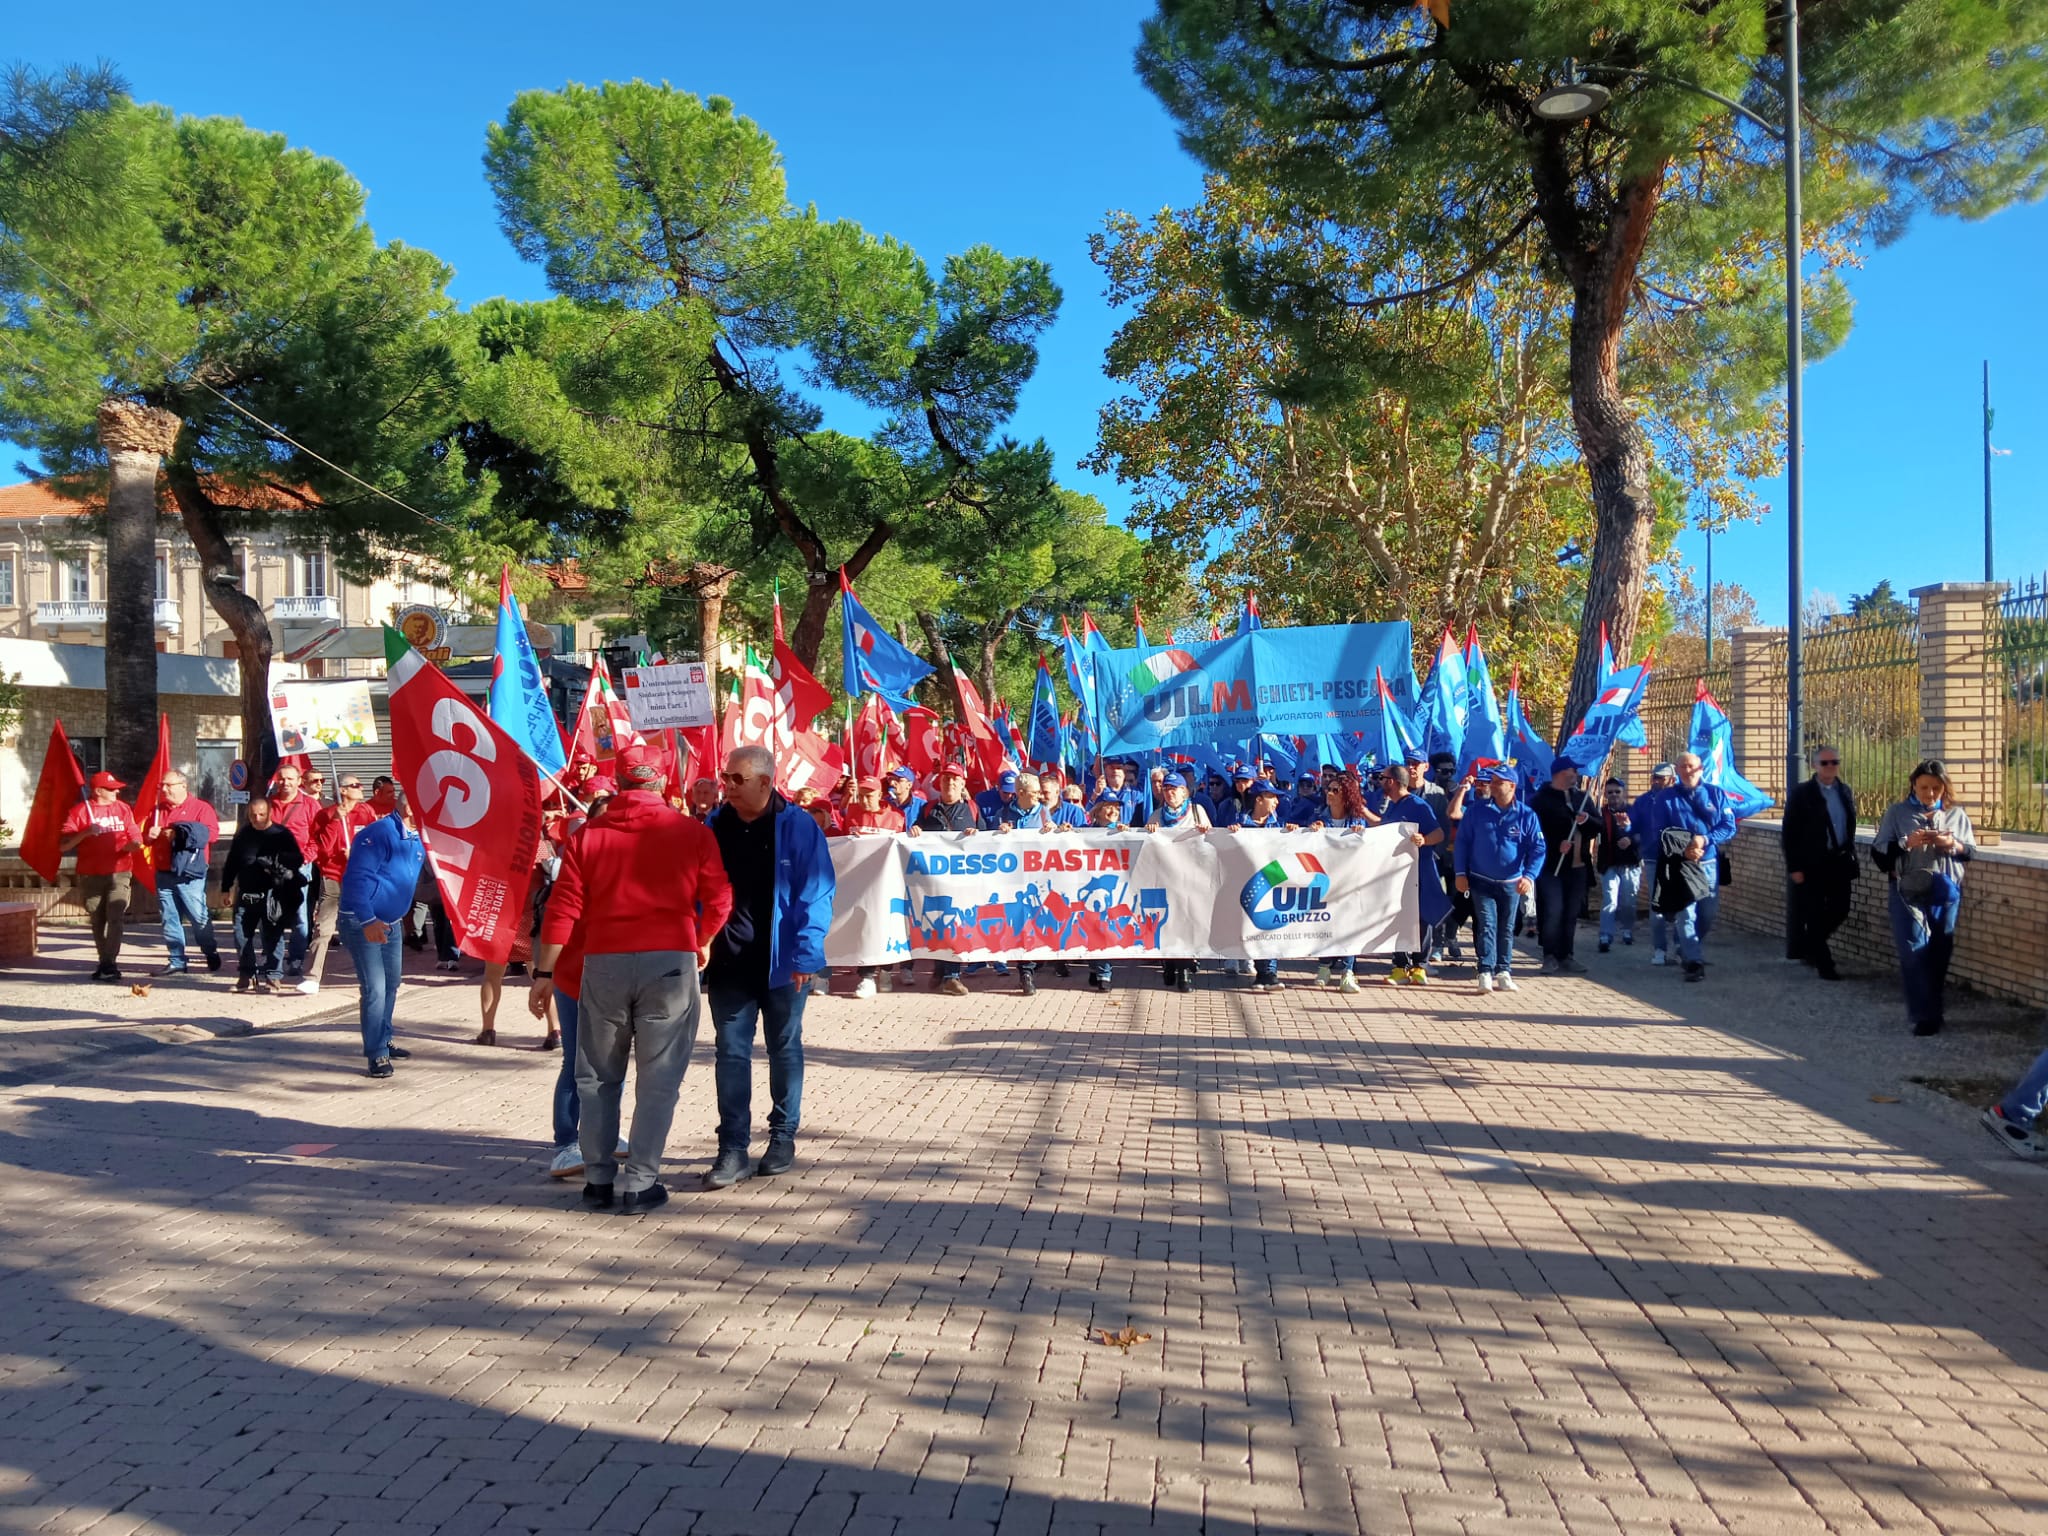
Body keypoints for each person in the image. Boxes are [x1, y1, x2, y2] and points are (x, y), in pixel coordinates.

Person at [531, 749, 733, 1215]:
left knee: (597, 1076)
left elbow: (563, 908)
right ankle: (641, 1181)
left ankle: (598, 1179)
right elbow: (720, 897)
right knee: (659, 1078)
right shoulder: (692, 832)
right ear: (661, 783)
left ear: (618, 784)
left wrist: (544, 973)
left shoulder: (588, 835)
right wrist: (703, 939)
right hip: (670, 959)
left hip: (604, 961)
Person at [701, 745, 836, 1188]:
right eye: (726, 778)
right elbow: (697, 888)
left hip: (784, 965)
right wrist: (697, 939)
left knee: (784, 1049)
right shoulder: (714, 826)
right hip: (728, 962)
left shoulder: (798, 826)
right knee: (730, 1054)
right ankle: (732, 1148)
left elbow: (817, 892)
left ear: (765, 782)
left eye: (737, 779)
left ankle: (782, 1137)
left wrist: (806, 954)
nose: (728, 786)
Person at [1871, 760, 1976, 1036]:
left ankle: (1934, 1010)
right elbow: (1879, 854)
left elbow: (1969, 851)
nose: (1929, 793)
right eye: (1924, 787)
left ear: (1944, 788)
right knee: (1913, 949)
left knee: (1940, 951)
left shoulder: (1956, 815)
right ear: (1914, 786)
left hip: (1944, 889)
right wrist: (1907, 843)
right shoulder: (1898, 813)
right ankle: (1923, 1016)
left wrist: (1952, 844)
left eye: (1936, 788)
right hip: (1907, 889)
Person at [337, 788, 425, 1078]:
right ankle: (376, 1054)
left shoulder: (417, 837)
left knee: (391, 983)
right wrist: (367, 919)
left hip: (392, 921)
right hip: (364, 921)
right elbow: (356, 879)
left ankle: (384, 1039)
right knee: (375, 988)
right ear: (408, 806)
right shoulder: (378, 834)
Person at [1640, 752, 1736, 983]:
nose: (1688, 770)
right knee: (1686, 915)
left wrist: (1704, 840)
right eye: (1683, 766)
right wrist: (1685, 848)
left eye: (1691, 766)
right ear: (1677, 770)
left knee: (1707, 913)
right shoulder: (1666, 798)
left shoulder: (1715, 794)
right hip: (1680, 864)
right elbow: (1659, 830)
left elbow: (1728, 825)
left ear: (1700, 769)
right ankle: (1694, 962)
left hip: (1708, 863)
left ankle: (1685, 946)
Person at [1454, 766, 1545, 995]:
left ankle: (1504, 970)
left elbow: (1538, 848)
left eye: (1498, 782)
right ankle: (1485, 970)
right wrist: (1460, 873)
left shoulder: (1526, 815)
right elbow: (1462, 842)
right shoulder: (1477, 811)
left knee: (1507, 927)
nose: (1492, 785)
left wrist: (1529, 876)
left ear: (1512, 786)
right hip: (1481, 880)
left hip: (1511, 883)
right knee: (1487, 924)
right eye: (1492, 781)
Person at [60, 769, 146, 981]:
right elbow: (63, 845)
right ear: (98, 791)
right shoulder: (80, 811)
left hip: (120, 872)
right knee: (98, 919)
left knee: (115, 916)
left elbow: (135, 835)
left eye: (117, 789)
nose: (117, 792)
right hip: (91, 874)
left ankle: (109, 963)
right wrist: (85, 832)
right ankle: (105, 962)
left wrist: (135, 844)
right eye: (111, 789)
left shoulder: (123, 808)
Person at [1781, 745, 1858, 980]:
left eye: (1834, 762)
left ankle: (1809, 944)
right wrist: (1794, 867)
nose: (1830, 767)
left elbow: (1849, 825)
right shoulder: (1802, 794)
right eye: (1825, 763)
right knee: (1814, 913)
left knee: (1840, 909)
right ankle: (1825, 964)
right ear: (1814, 766)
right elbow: (1789, 833)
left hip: (1839, 861)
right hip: (1812, 863)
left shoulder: (1844, 791)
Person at [219, 797, 306, 994]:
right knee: (241, 936)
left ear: (270, 813)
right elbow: (232, 862)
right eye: (253, 815)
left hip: (271, 895)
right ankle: (246, 975)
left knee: (273, 936)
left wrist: (277, 863)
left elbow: (297, 859)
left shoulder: (281, 834)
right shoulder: (243, 834)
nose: (257, 818)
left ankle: (273, 976)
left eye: (261, 814)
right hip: (246, 893)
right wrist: (226, 888)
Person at [300, 775, 375, 995]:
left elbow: (376, 842)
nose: (361, 788)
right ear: (342, 790)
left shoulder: (366, 812)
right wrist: (334, 821)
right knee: (323, 926)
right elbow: (322, 849)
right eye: (355, 785)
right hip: (333, 876)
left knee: (368, 924)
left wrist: (358, 853)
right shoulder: (325, 814)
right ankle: (312, 977)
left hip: (360, 877)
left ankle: (374, 973)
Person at [1376, 763, 1450, 986]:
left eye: (1382, 778)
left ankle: (1419, 966)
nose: (1379, 782)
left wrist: (1424, 840)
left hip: (1419, 873)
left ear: (1392, 782)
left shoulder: (1418, 805)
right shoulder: (1392, 806)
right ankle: (1400, 967)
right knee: (1397, 917)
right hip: (1396, 874)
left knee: (1421, 919)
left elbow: (1439, 834)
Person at [148, 770, 221, 977]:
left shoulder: (200, 808)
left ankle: (209, 950)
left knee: (198, 918)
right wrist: (150, 835)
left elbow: (212, 835)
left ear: (183, 786)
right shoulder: (157, 810)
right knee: (169, 918)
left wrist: (180, 834)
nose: (164, 789)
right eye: (162, 785)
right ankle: (177, 960)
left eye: (168, 785)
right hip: (164, 872)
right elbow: (145, 839)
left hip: (190, 875)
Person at [1306, 771, 1374, 993]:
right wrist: (1312, 831)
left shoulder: (1357, 820)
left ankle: (1347, 972)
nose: (1330, 793)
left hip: (1350, 881)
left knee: (1349, 926)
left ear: (1347, 794)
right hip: (1326, 880)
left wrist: (1361, 835)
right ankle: (1324, 968)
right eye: (1329, 789)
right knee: (1325, 923)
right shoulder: (1319, 817)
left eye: (1336, 790)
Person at [913, 764, 977, 997]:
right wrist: (915, 831)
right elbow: (915, 833)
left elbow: (987, 838)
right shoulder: (928, 808)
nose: (950, 783)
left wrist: (977, 835)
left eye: (954, 779)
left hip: (961, 879)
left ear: (962, 783)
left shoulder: (972, 809)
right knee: (938, 924)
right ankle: (941, 969)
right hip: (934, 879)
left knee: (955, 923)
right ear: (939, 783)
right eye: (946, 779)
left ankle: (951, 976)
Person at [1531, 758, 1599, 975]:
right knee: (1553, 910)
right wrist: (1555, 846)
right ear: (1560, 772)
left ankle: (1566, 955)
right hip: (1550, 867)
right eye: (1573, 770)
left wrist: (1587, 820)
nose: (1576, 774)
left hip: (1578, 866)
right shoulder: (1540, 800)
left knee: (1570, 912)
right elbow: (1533, 834)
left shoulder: (1582, 798)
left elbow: (1598, 827)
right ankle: (1549, 955)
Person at [1145, 771, 1209, 993]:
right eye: (1166, 789)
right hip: (1165, 876)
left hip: (1190, 877)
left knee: (1187, 921)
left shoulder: (1197, 812)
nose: (1169, 793)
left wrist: (1205, 831)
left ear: (1184, 792)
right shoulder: (1156, 815)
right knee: (1168, 922)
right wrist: (1150, 832)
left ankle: (1184, 971)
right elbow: (1147, 845)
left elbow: (1210, 841)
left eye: (1174, 789)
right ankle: (1169, 963)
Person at [1233, 780, 1294, 992]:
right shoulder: (1240, 823)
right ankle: (1261, 972)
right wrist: (1231, 833)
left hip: (1273, 882)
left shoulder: (1278, 825)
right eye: (1272, 797)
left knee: (1270, 926)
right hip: (1247, 882)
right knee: (1252, 927)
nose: (1276, 801)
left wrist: (1294, 833)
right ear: (1259, 799)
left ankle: (1269, 972)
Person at [266, 764, 319, 979]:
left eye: (290, 778)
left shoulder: (310, 805)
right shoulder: (268, 804)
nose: (285, 782)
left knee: (300, 917)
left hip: (299, 868)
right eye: (282, 778)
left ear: (299, 781)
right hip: (272, 869)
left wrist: (305, 857)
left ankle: (296, 958)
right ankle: (274, 960)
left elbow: (318, 837)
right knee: (271, 915)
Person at [1632, 763, 1678, 963]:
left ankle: (1680, 947)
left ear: (1672, 779)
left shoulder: (1679, 798)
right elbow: (1632, 825)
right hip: (1653, 857)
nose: (1656, 781)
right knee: (1656, 905)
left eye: (1661, 777)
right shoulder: (1643, 801)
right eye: (1655, 777)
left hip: (1678, 858)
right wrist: (1627, 827)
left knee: (1682, 905)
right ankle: (1660, 950)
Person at [1083, 790, 1127, 993]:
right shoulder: (1084, 831)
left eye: (1116, 807)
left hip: (1110, 891)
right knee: (1090, 927)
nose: (1113, 811)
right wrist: (1065, 831)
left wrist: (1126, 833)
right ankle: (1095, 967)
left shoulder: (1122, 831)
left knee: (1104, 926)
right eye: (1108, 807)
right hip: (1088, 887)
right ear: (1098, 810)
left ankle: (1104, 973)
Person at [1595, 778, 1642, 953]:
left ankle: (1627, 930)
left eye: (1617, 791)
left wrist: (1630, 840)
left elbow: (1643, 834)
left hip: (1630, 863)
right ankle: (1605, 935)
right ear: (1605, 794)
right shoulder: (1602, 813)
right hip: (1609, 863)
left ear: (1624, 792)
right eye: (1610, 792)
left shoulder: (1634, 811)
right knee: (1610, 900)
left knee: (1629, 901)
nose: (1614, 795)